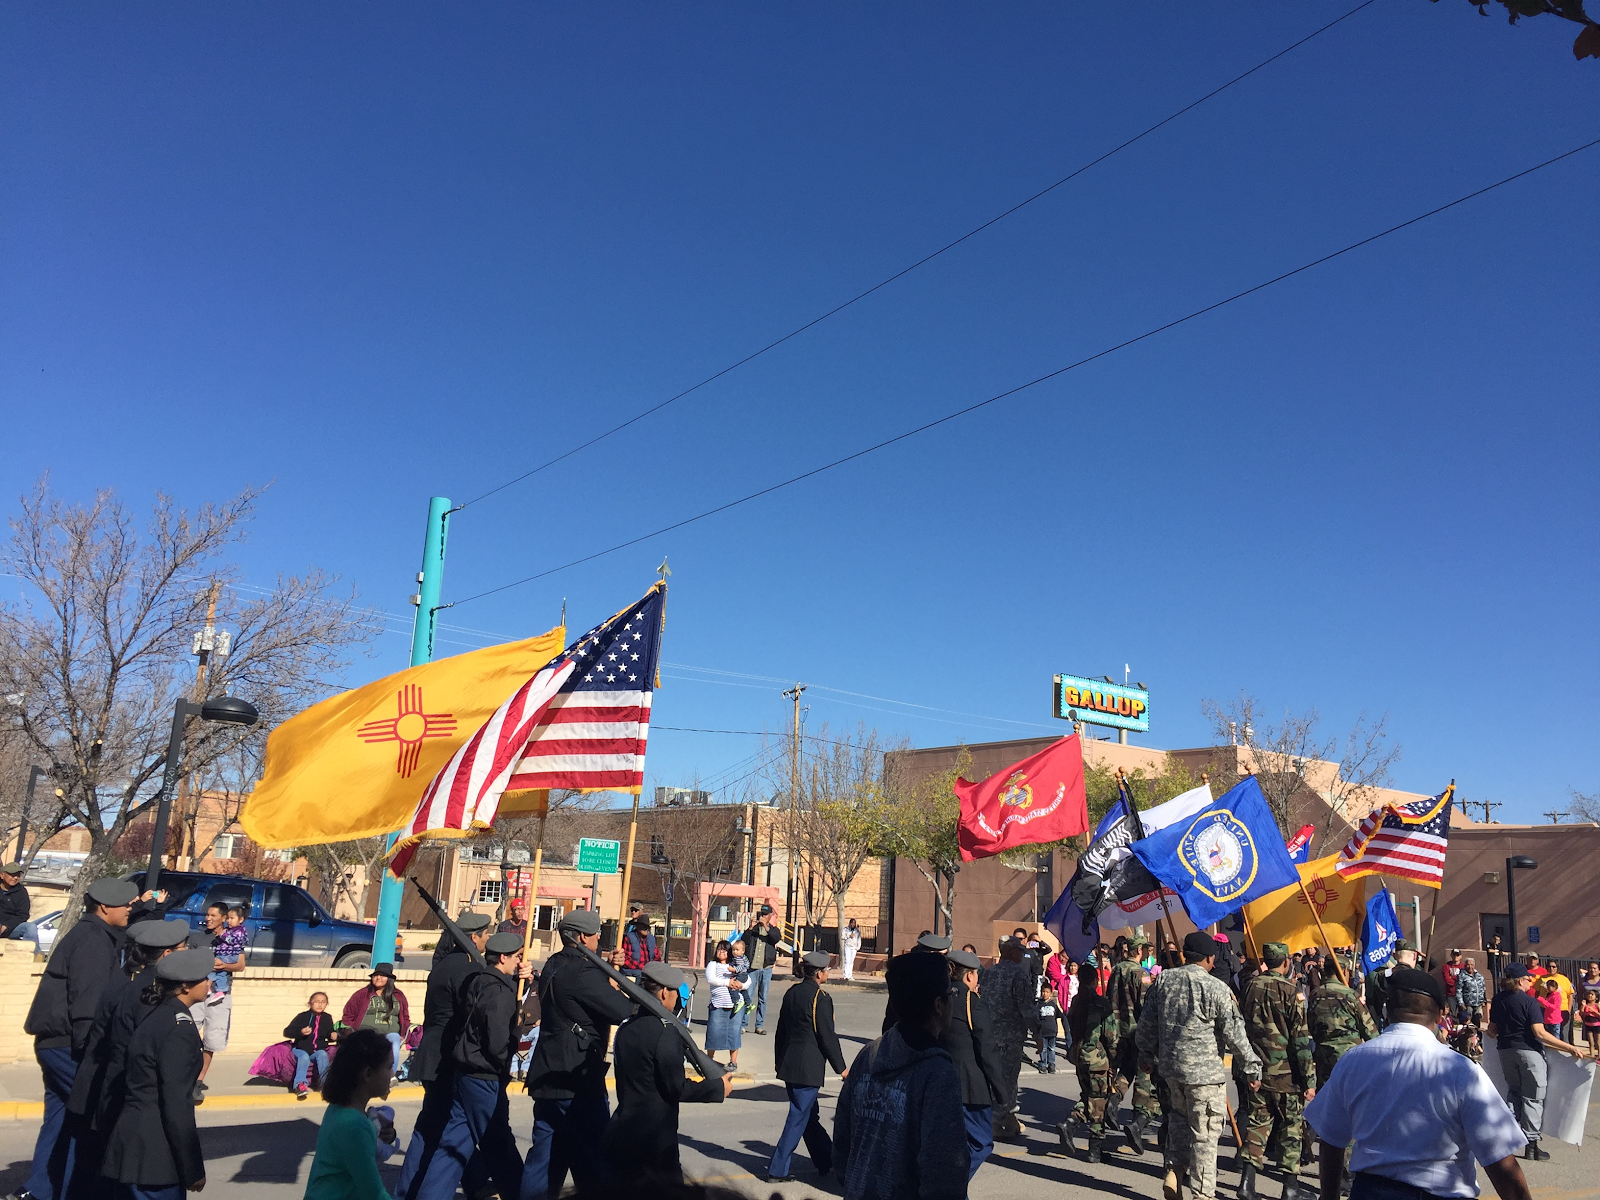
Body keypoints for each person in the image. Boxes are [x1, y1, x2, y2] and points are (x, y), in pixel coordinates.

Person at [1305, 967, 1536, 1200]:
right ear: (1439, 1016)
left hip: (1371, 1191)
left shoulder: (1352, 1061)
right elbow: (1500, 1159)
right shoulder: (1460, 1070)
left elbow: (1331, 1141)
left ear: (1388, 1009)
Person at [21, 876, 138, 1200]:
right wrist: (92, 1057)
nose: (130, 907)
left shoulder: (93, 934)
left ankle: (39, 1191)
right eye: (125, 903)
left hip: (55, 1042)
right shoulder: (92, 940)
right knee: (92, 1120)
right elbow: (88, 1004)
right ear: (104, 907)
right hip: (69, 1044)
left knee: (60, 1121)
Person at [64, 917, 191, 1198]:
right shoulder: (147, 992)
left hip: (107, 1092)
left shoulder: (131, 979)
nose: (188, 953)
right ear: (167, 954)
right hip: (118, 1097)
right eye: (184, 947)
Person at [1136, 930, 1263, 1200]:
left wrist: (1146, 1055)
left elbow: (1146, 1025)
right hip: (1204, 1075)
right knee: (1205, 1135)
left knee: (1179, 1123)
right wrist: (1251, 1067)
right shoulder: (1217, 988)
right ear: (1209, 958)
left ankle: (1173, 1172)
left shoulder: (1163, 981)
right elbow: (1235, 1034)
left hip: (1171, 1069)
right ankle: (1202, 1194)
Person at [403, 931, 529, 1200]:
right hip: (484, 1075)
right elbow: (497, 1044)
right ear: (503, 957)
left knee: (451, 1145)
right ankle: (521, 1192)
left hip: (465, 1073)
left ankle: (431, 1195)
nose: (519, 962)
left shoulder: (480, 980)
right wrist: (516, 1036)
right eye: (517, 957)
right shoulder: (499, 992)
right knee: (496, 1139)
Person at [834, 951, 967, 1200]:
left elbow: (842, 1139)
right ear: (938, 1005)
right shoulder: (937, 1073)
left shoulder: (867, 1055)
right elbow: (944, 1166)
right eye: (951, 994)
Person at [521, 908, 634, 1200]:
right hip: (576, 1077)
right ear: (583, 936)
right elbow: (620, 1010)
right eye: (597, 935)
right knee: (596, 1156)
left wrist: (609, 966)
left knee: (546, 1157)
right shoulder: (584, 971)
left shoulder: (555, 964)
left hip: (548, 1071)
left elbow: (581, 994)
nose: (600, 940)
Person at [601, 960, 732, 1192]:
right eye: (675, 992)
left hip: (622, 1133)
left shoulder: (628, 1026)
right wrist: (717, 1088)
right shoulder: (665, 1032)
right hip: (655, 1142)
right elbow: (676, 1087)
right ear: (664, 993)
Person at [392, 912, 492, 1200]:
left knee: (432, 1126)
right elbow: (471, 1012)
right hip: (448, 1057)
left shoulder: (444, 964)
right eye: (485, 934)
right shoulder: (468, 968)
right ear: (474, 937)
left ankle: (411, 1190)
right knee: (451, 1128)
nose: (487, 939)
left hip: (432, 1053)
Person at [100, 947, 212, 1199]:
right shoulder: (179, 1029)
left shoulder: (160, 1013)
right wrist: (192, 1166)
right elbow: (176, 1104)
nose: (209, 982)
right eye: (204, 978)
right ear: (184, 986)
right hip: (154, 1154)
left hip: (133, 1143)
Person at [1487, 962, 1590, 1161]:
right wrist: (1569, 1047)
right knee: (1533, 1097)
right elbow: (1539, 1033)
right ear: (1518, 981)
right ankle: (1532, 1145)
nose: (1530, 981)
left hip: (1506, 1051)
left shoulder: (1498, 1000)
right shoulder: (1529, 1002)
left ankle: (1507, 1136)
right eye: (1527, 979)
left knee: (1514, 1092)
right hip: (1529, 1052)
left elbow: (1492, 1030)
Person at [1239, 942, 1316, 1200]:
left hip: (1257, 1070)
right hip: (1286, 1076)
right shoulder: (1291, 991)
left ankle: (1247, 1184)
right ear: (1286, 963)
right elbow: (1301, 1040)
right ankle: (1290, 1188)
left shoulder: (1250, 987)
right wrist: (1309, 1080)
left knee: (1257, 1125)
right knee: (1290, 1130)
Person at [766, 950, 848, 1183]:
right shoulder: (820, 998)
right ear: (819, 973)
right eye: (827, 970)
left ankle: (827, 1160)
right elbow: (827, 1036)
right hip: (807, 1068)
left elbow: (781, 1030)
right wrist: (841, 1068)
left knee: (808, 1117)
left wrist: (778, 1058)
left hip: (789, 1063)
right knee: (798, 1116)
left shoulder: (792, 993)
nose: (828, 973)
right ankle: (777, 1169)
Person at [301, 1027, 395, 1199]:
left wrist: (383, 1135)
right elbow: (374, 1192)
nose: (392, 1074)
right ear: (368, 1074)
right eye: (389, 1067)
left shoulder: (340, 1110)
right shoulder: (354, 1127)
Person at [942, 948, 1004, 1180]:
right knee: (981, 1143)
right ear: (969, 976)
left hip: (940, 1081)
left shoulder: (939, 997)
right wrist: (1000, 1090)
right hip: (971, 1087)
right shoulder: (972, 1002)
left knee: (950, 1144)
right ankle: (950, 1187)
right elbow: (986, 1050)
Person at [978, 935, 1037, 1142]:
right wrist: (1037, 1033)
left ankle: (1009, 1115)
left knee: (996, 1075)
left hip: (989, 1034)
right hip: (1010, 1036)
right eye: (1019, 950)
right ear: (1010, 952)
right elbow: (1027, 1008)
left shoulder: (988, 973)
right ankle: (996, 1119)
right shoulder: (1018, 975)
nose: (1022, 953)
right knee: (1008, 1078)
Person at [1108, 932, 1160, 1154]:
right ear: (1139, 951)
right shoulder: (1142, 974)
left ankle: (1113, 1099)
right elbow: (1146, 1004)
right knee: (1144, 1077)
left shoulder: (1116, 970)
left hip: (1118, 1029)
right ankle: (1138, 1121)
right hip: (1138, 1029)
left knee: (1126, 1069)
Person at [1062, 959, 1119, 1162]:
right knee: (1099, 1103)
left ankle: (1070, 1122)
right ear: (1095, 980)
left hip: (1079, 1056)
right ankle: (1094, 1149)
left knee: (1088, 1096)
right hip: (1097, 1059)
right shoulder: (1100, 1003)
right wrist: (1114, 1057)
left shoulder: (1077, 1001)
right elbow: (1111, 1034)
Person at [190, 902, 245, 1104]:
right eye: (207, 915)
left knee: (211, 1041)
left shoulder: (233, 937)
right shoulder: (197, 937)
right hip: (197, 993)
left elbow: (240, 965)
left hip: (220, 995)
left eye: (213, 915)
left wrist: (225, 965)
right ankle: (186, 1076)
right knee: (189, 1036)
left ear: (224, 918)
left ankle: (197, 1081)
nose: (208, 918)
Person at [343, 964, 411, 1080]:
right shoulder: (362, 994)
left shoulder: (398, 996)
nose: (378, 978)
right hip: (367, 1032)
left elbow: (405, 1017)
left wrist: (404, 1035)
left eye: (382, 975)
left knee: (394, 1041)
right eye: (375, 975)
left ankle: (389, 1078)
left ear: (389, 979)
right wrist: (351, 1031)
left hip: (390, 1032)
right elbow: (348, 1014)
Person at [284, 992, 337, 1099]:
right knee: (304, 1057)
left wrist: (333, 1035)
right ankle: (300, 1085)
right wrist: (301, 1032)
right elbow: (287, 1032)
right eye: (317, 1002)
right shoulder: (302, 1017)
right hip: (300, 1049)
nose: (320, 1005)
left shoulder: (327, 1018)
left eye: (323, 1002)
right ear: (310, 1003)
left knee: (322, 1054)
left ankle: (325, 1084)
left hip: (317, 1050)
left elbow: (329, 1034)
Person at [703, 938, 745, 1070]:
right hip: (717, 1004)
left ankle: (733, 1062)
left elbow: (747, 979)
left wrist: (740, 984)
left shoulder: (736, 965)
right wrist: (727, 983)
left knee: (734, 1033)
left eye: (724, 949)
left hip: (736, 1005)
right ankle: (709, 1060)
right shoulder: (712, 965)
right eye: (719, 949)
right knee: (713, 1031)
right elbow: (711, 979)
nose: (721, 951)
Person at [742, 905, 784, 1034]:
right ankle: (743, 1024)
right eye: (762, 914)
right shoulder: (753, 930)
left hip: (766, 968)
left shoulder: (774, 930)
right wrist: (750, 927)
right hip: (753, 968)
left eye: (766, 915)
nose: (763, 917)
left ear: (770, 916)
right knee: (748, 996)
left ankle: (759, 1025)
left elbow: (775, 938)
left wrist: (766, 926)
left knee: (763, 997)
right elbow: (744, 940)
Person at [619, 912, 661, 983]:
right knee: (640, 977)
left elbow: (657, 957)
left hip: (648, 972)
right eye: (643, 926)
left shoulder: (651, 939)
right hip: (632, 972)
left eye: (647, 927)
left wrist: (653, 968)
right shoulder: (629, 937)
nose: (646, 929)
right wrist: (642, 968)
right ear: (637, 927)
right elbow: (625, 958)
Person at [1540, 959, 1574, 1043]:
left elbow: (1570, 996)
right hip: (1546, 1011)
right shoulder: (1542, 978)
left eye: (1554, 966)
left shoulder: (1564, 979)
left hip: (1562, 1010)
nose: (1551, 968)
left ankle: (1565, 1053)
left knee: (1563, 1034)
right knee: (1548, 1034)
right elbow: (1537, 993)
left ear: (1557, 968)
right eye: (1549, 966)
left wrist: (1568, 1010)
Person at [0, 861, 32, 939]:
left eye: (18, 875)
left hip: (11, 929)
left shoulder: (21, 892)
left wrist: (6, 926)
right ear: (2, 875)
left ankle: (34, 950)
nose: (15, 878)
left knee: (30, 927)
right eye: (12, 874)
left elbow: (23, 915)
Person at [1036, 981, 1062, 1075]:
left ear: (1051, 993)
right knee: (1043, 1048)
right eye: (1043, 992)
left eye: (1047, 992)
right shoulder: (1039, 1004)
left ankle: (1051, 1064)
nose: (1045, 994)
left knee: (1052, 1048)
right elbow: (1036, 1017)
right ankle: (1043, 1063)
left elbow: (1059, 1015)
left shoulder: (1053, 1004)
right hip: (1043, 1031)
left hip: (1052, 1031)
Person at [1457, 957, 1488, 1022]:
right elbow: (1458, 990)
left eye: (1472, 965)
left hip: (1478, 1004)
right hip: (1468, 1004)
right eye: (1468, 964)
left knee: (1477, 1021)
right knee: (1468, 1022)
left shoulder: (1479, 976)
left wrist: (1484, 1000)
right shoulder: (1461, 976)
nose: (1470, 967)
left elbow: (1483, 988)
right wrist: (1461, 1003)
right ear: (1465, 965)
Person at [1580, 990, 1600, 1056]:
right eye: (1589, 994)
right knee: (1591, 1042)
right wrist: (1583, 1006)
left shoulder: (1597, 1005)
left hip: (1597, 1025)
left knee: (1598, 1042)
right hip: (1588, 1025)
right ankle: (1592, 1056)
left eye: (1592, 994)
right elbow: (1582, 1014)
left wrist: (1594, 1011)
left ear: (1596, 997)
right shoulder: (1586, 1005)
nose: (1590, 996)